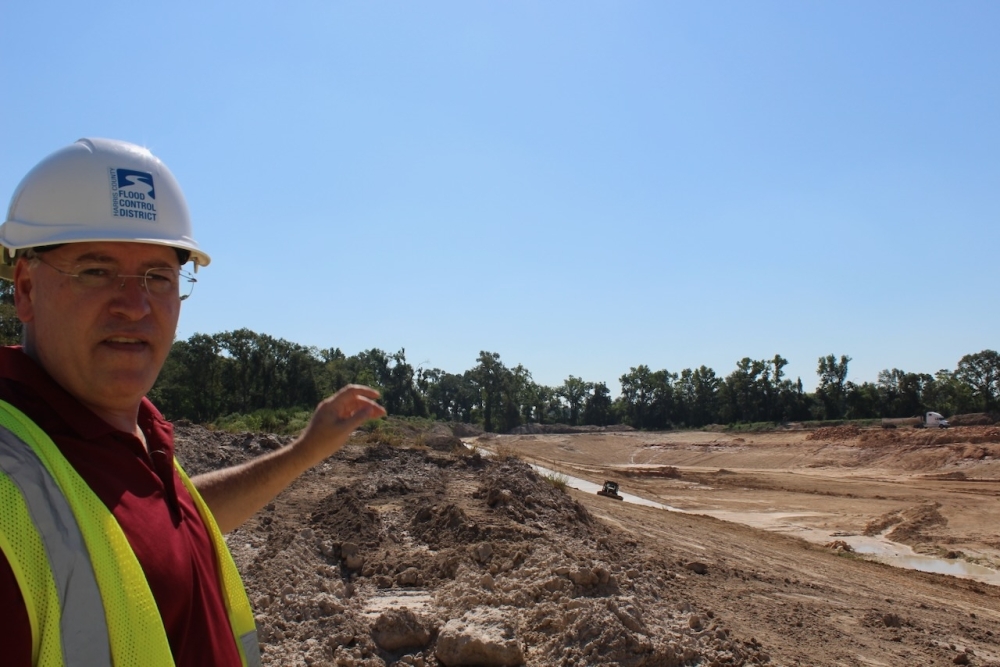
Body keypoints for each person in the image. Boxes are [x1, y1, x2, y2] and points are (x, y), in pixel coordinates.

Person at [0, 138, 387, 666]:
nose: (135, 306)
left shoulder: (131, 433)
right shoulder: (11, 488)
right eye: (96, 270)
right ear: (25, 288)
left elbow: (167, 528)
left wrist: (304, 450)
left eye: (158, 277)